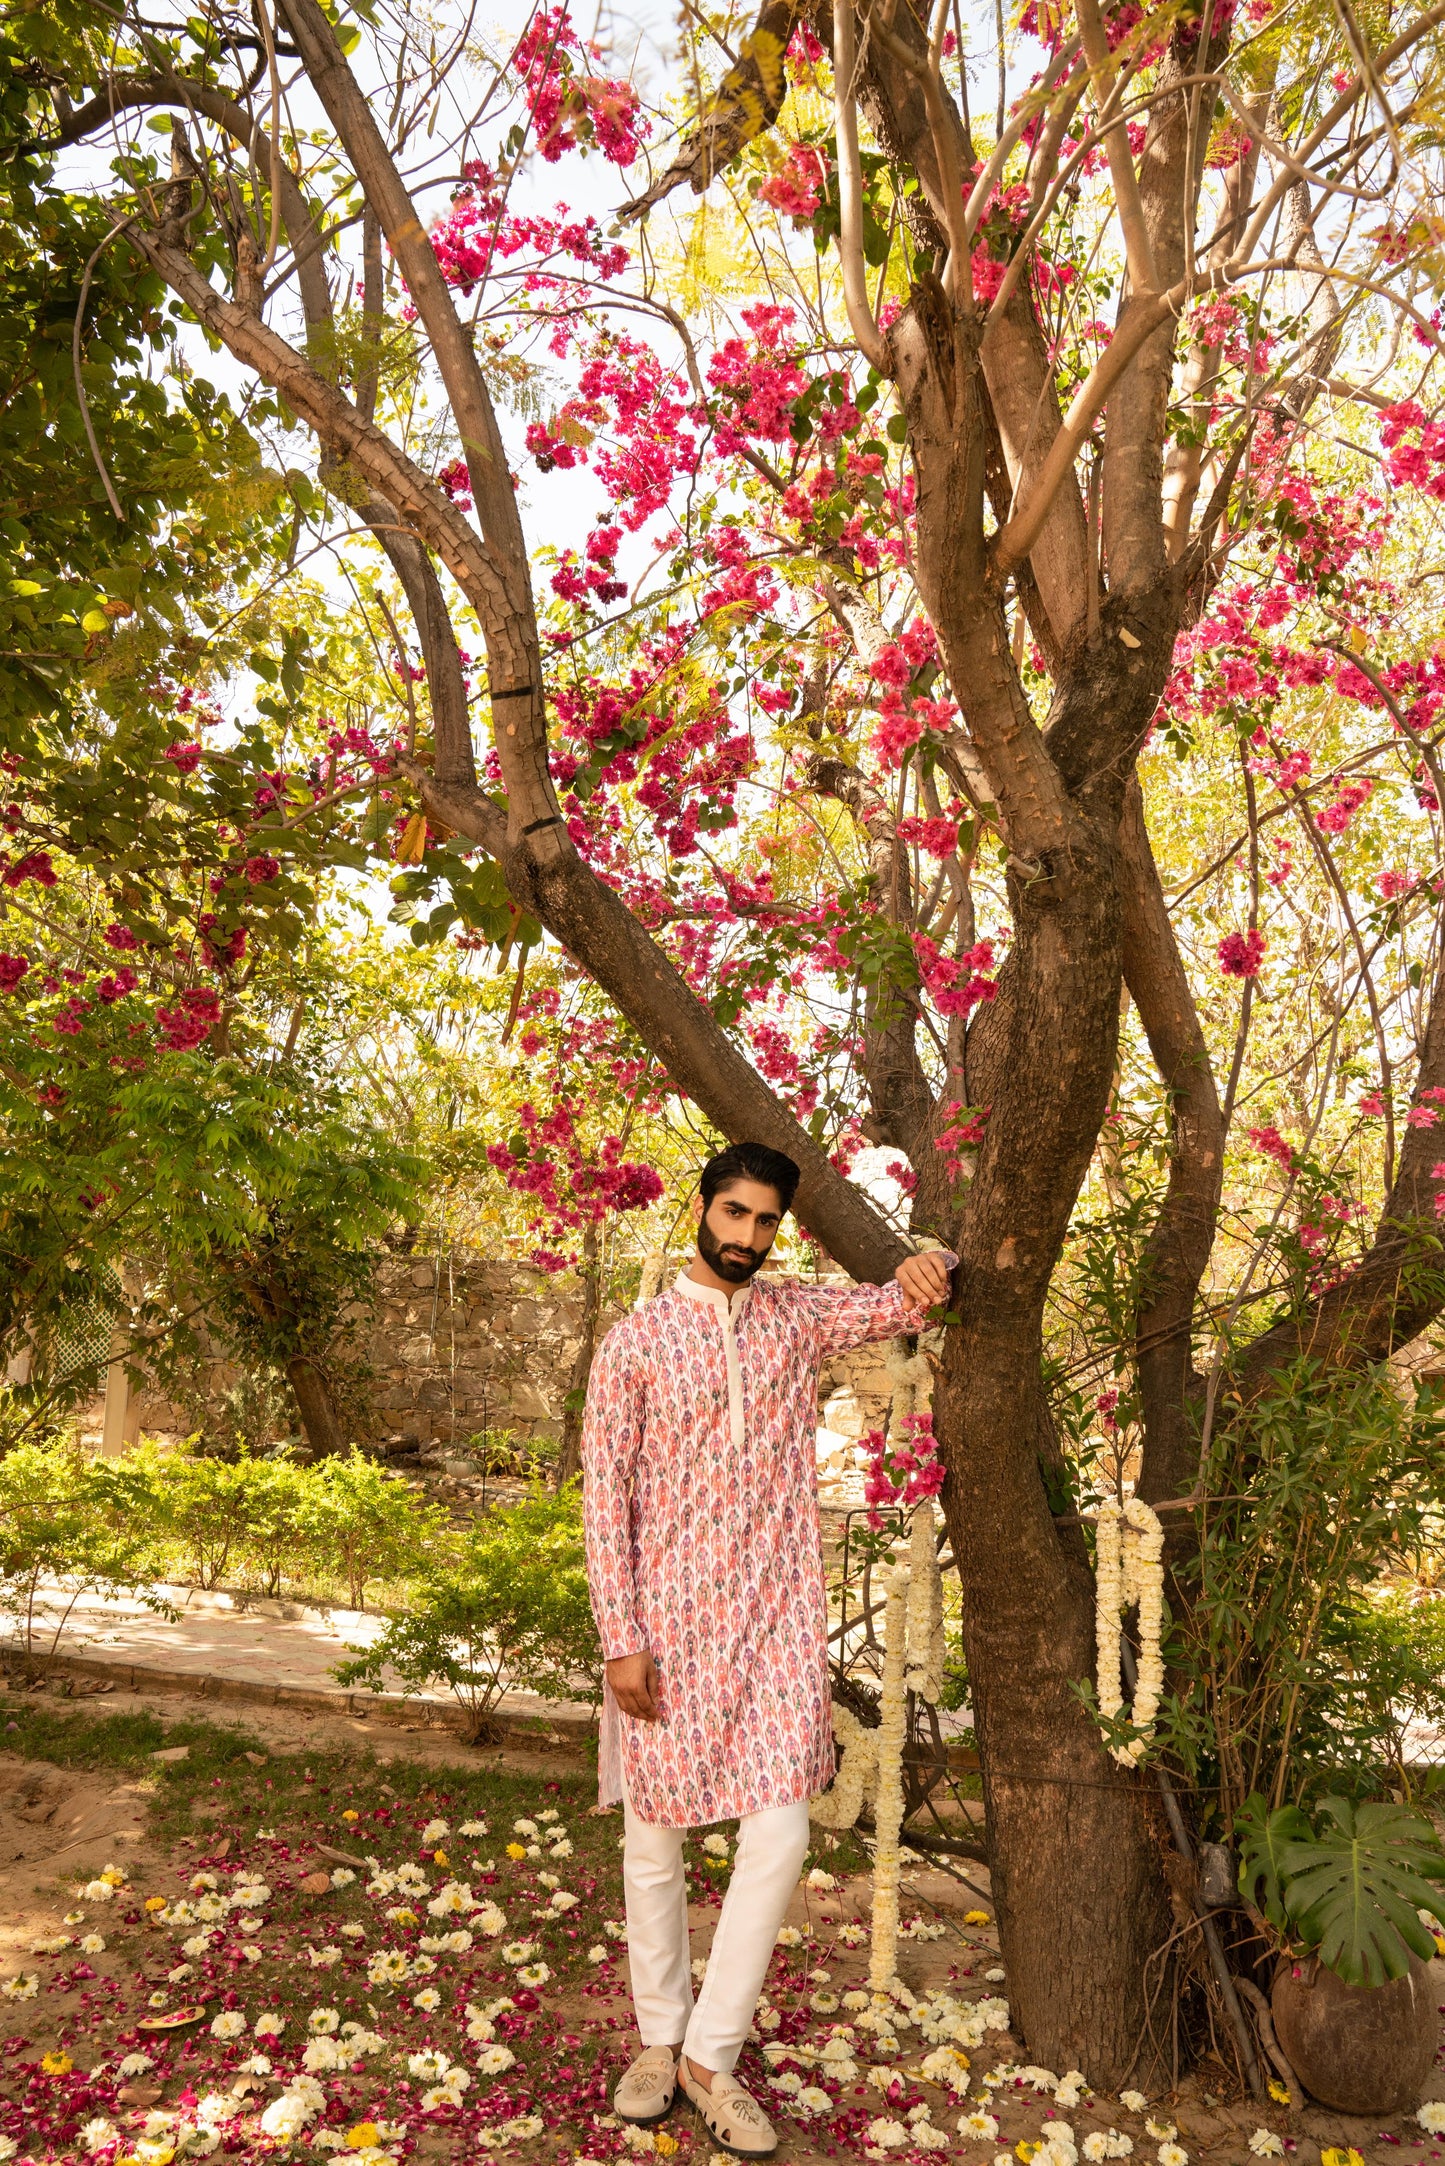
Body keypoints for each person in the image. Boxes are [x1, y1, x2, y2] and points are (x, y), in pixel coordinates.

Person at [581, 1141, 954, 2157]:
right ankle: (658, 2039)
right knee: (653, 1843)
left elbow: (897, 1304)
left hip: (775, 1623)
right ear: (702, 1207)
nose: (745, 1237)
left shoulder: (794, 1317)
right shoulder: (636, 1343)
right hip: (664, 1627)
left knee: (780, 1835)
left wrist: (936, 1262)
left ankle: (711, 2054)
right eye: (732, 1214)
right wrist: (622, 1639)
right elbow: (601, 1500)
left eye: (763, 1222)